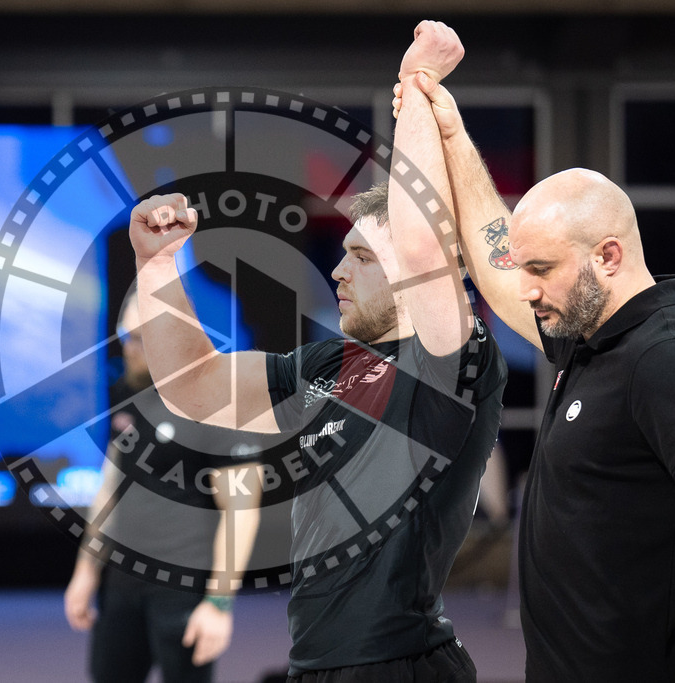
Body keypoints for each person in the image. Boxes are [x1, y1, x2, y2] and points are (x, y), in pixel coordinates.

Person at [128, 21, 508, 682]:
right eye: (342, 255)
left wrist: (416, 85)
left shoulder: (448, 363)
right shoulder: (327, 366)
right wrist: (157, 265)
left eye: (362, 257)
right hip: (316, 663)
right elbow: (193, 384)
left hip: (399, 665)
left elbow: (424, 244)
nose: (337, 271)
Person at [395, 46, 675, 681]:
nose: (526, 289)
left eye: (543, 268)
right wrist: (452, 135)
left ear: (608, 256)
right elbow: (496, 261)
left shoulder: (672, 357)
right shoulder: (586, 333)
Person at [64, 290, 263, 683]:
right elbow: (110, 487)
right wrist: (86, 570)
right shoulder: (127, 388)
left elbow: (241, 513)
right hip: (121, 580)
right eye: (125, 336)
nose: (128, 348)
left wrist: (219, 604)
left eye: (140, 339)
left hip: (183, 584)